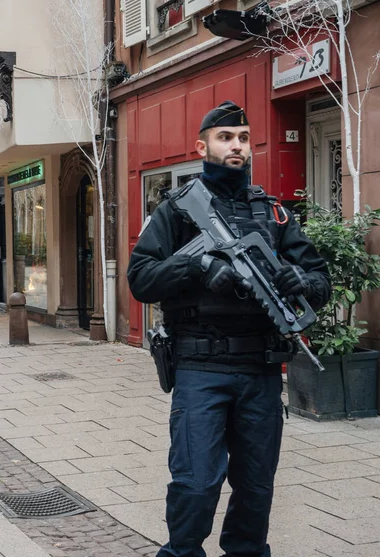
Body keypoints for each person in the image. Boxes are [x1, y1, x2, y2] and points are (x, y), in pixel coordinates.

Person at [127, 101, 331, 557]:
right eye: (225, 138)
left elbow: (319, 279)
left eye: (242, 138)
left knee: (256, 486)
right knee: (197, 484)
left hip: (260, 370)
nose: (235, 146)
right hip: (200, 368)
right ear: (203, 146)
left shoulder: (274, 214)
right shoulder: (177, 212)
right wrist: (197, 266)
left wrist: (304, 281)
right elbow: (141, 279)